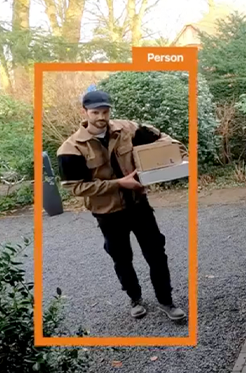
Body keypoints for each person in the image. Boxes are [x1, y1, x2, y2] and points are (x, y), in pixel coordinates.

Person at [57, 90, 186, 322]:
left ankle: (166, 300)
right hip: (108, 214)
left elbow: (164, 140)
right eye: (95, 112)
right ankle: (135, 298)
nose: (101, 117)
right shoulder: (71, 148)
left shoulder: (128, 128)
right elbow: (76, 187)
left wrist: (174, 155)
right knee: (121, 258)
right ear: (84, 112)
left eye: (105, 111)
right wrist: (119, 184)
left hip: (139, 206)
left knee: (157, 253)